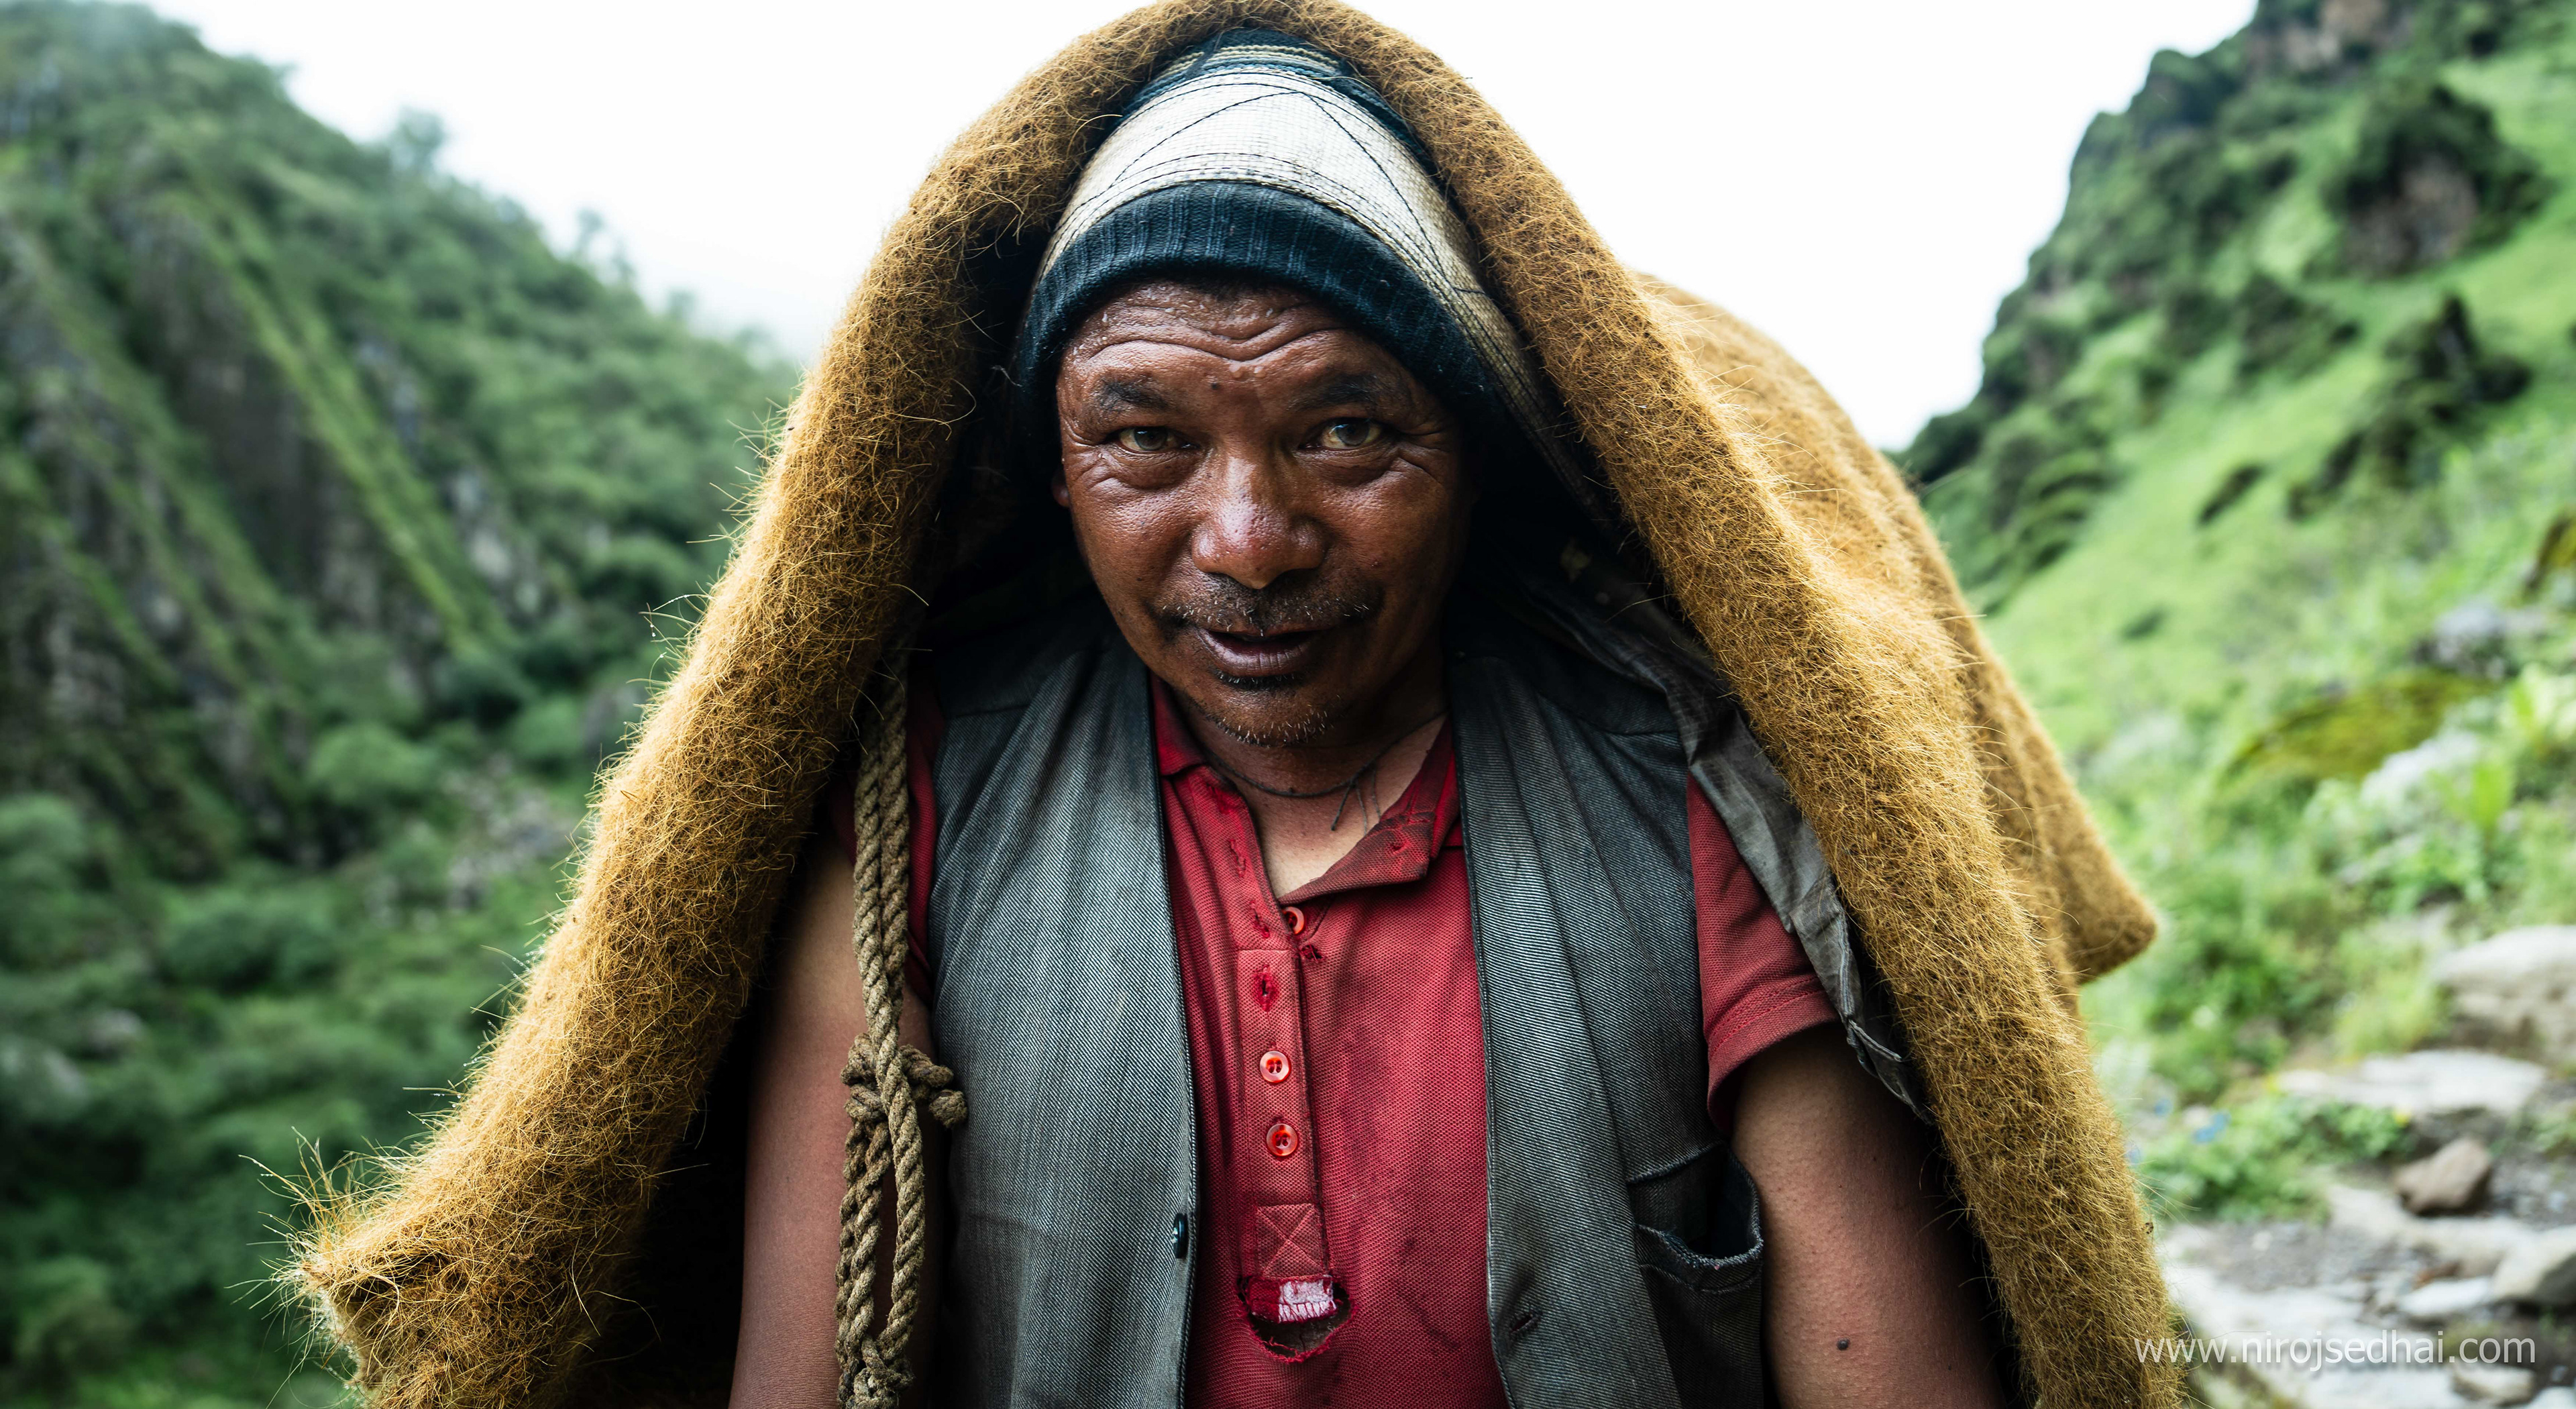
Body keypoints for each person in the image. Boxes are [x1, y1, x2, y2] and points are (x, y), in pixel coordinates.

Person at [294, 11, 2176, 1409]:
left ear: (1472, 451)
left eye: (1349, 428)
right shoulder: (922, 824)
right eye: (1146, 440)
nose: (1251, 538)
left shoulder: (1680, 803)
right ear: (1048, 462)